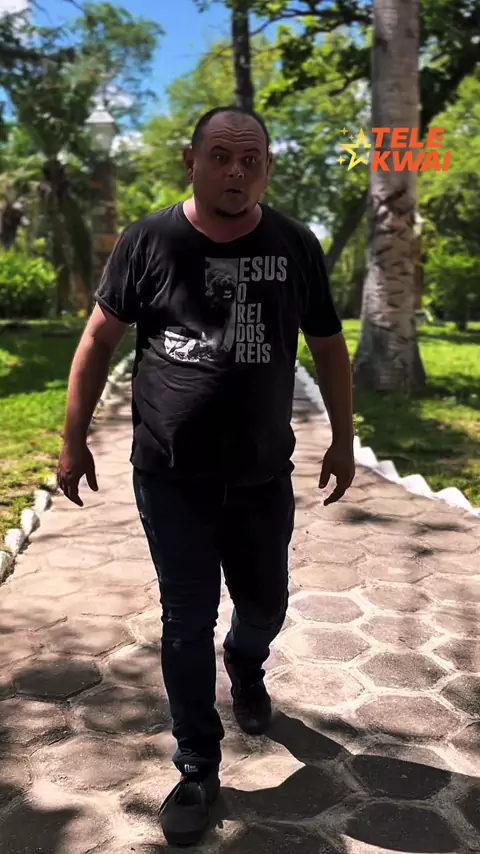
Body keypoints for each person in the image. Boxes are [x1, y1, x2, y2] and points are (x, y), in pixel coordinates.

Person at [57, 105, 355, 847]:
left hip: (261, 476)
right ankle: (196, 765)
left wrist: (344, 440)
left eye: (250, 159)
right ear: (190, 161)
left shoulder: (294, 244)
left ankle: (246, 665)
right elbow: (98, 339)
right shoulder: (148, 241)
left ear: (268, 168)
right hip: (171, 475)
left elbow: (327, 345)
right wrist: (73, 439)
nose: (235, 171)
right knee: (185, 620)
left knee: (265, 608)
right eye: (220, 156)